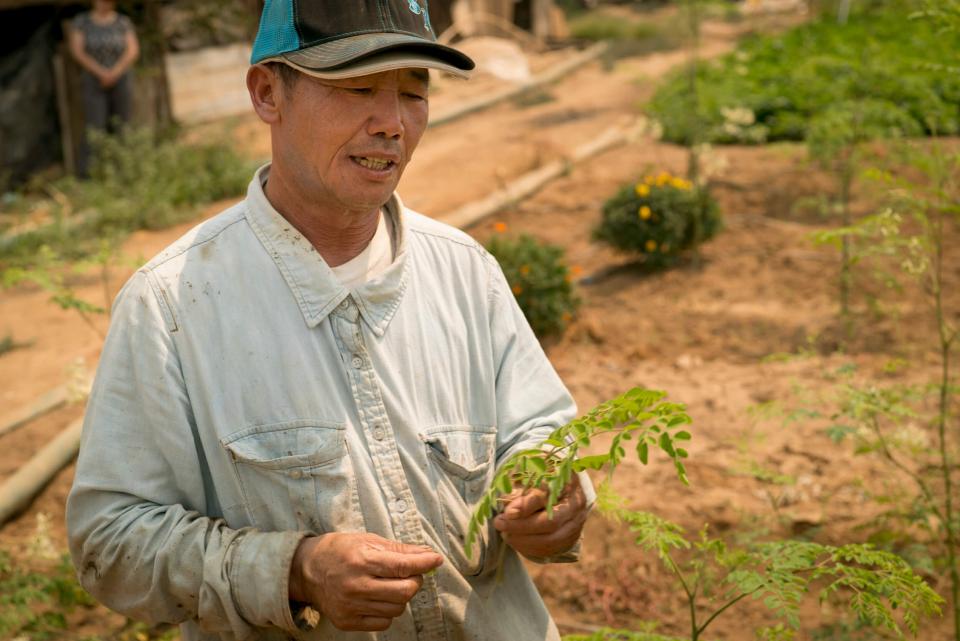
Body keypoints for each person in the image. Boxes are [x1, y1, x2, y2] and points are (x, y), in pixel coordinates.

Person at [66, 1, 594, 639]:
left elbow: (542, 432)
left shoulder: (465, 271)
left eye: (414, 90)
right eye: (358, 87)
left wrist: (555, 498)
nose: (392, 123)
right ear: (268, 93)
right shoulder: (173, 304)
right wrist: (294, 569)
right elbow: (112, 539)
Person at [68, 0, 139, 177]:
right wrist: (100, 72)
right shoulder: (82, 22)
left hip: (120, 77)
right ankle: (90, 174)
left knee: (123, 124)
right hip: (94, 79)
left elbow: (132, 50)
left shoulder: (122, 21)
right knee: (95, 126)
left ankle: (124, 170)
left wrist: (115, 71)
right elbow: (77, 51)